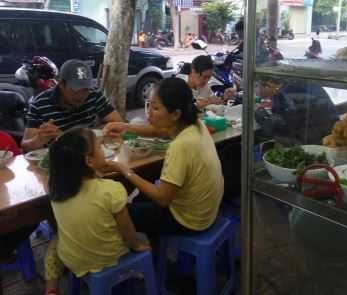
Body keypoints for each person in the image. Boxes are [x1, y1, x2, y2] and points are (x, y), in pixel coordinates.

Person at [104, 78, 224, 237]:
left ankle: (143, 249)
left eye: (155, 108)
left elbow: (162, 199)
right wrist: (125, 127)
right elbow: (161, 132)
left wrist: (126, 171)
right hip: (206, 212)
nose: (149, 112)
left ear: (175, 114)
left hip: (189, 221)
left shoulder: (181, 146)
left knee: (119, 213)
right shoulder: (194, 125)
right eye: (149, 105)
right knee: (142, 193)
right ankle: (153, 242)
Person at [44, 128, 150, 295]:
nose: (103, 149)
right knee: (140, 237)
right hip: (107, 257)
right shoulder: (111, 190)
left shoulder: (54, 186)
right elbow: (127, 229)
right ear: (88, 161)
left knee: (55, 243)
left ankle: (51, 289)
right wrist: (137, 245)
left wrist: (95, 171)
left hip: (72, 259)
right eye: (100, 147)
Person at [22, 59, 123, 152]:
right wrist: (39, 139)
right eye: (75, 89)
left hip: (88, 152)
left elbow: (118, 122)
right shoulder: (40, 104)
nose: (81, 95)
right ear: (61, 84)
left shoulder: (94, 94)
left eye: (85, 89)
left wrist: (103, 131)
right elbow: (25, 148)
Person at [255, 77, 338, 145]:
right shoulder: (297, 83)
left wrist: (261, 116)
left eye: (256, 86)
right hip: (330, 134)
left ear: (268, 85)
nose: (256, 91)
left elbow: (280, 129)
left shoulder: (287, 94)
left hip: (317, 142)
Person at [0, 132, 38, 264]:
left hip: (9, 196)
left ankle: (5, 250)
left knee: (32, 215)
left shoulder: (4, 138)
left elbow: (19, 164)